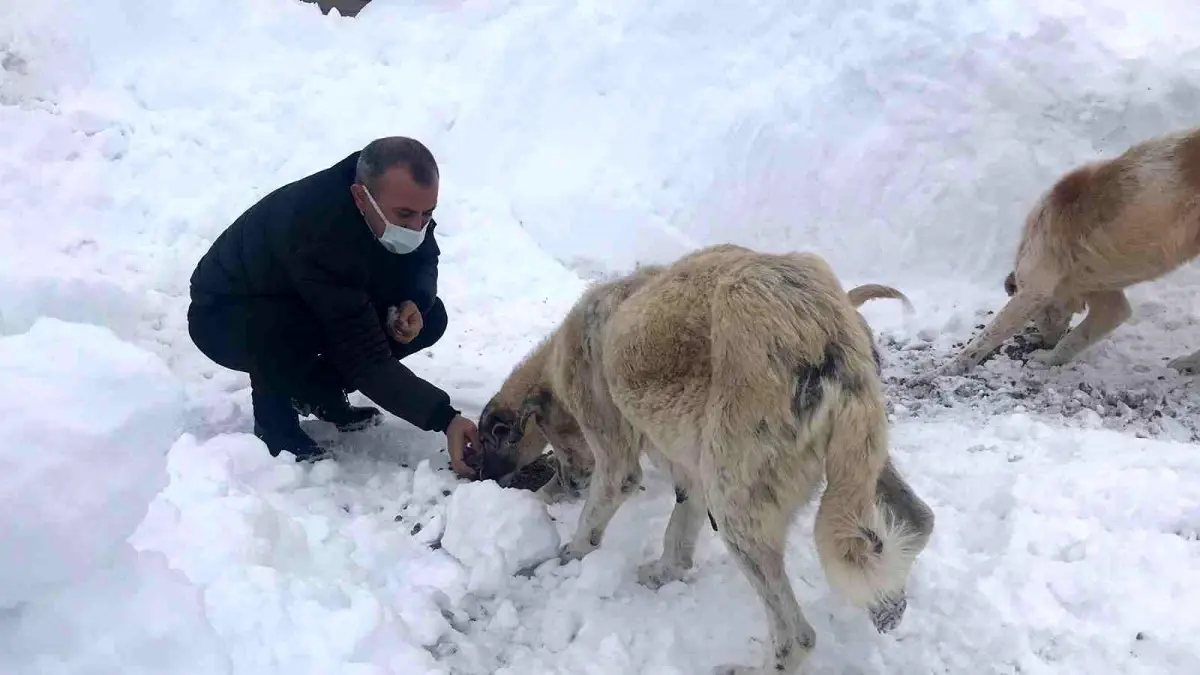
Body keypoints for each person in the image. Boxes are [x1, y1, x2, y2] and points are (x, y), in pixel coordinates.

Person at [186, 136, 478, 475]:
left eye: (428, 214)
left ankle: (320, 394)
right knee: (286, 324)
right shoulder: (317, 228)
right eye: (406, 215)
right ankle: (275, 426)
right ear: (360, 197)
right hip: (224, 316)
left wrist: (415, 301)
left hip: (308, 296)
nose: (418, 227)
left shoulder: (393, 201)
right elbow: (364, 355)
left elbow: (425, 258)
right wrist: (446, 418)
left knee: (432, 316)